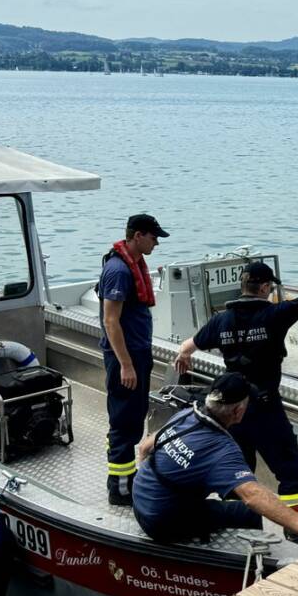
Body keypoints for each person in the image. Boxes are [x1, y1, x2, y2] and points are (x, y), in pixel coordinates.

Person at [172, 255, 298, 529]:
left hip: (230, 411)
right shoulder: (275, 314)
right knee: (290, 472)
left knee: (238, 472)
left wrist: (184, 359)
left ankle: (238, 525)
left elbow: (186, 347)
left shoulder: (220, 321)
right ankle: (294, 529)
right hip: (264, 408)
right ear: (264, 288)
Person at [132, 372, 298, 546]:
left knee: (219, 503)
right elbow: (252, 495)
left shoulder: (186, 415)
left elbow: (144, 447)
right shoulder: (222, 448)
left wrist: (150, 485)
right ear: (238, 411)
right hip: (160, 522)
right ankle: (242, 558)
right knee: (245, 511)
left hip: (139, 501)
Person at [99, 213, 166, 506]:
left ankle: (122, 475)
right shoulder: (119, 271)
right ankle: (121, 489)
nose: (156, 244)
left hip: (136, 353)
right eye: (153, 238)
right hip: (126, 358)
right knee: (125, 422)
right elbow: (110, 321)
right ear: (138, 235)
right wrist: (126, 364)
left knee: (130, 417)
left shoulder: (133, 264)